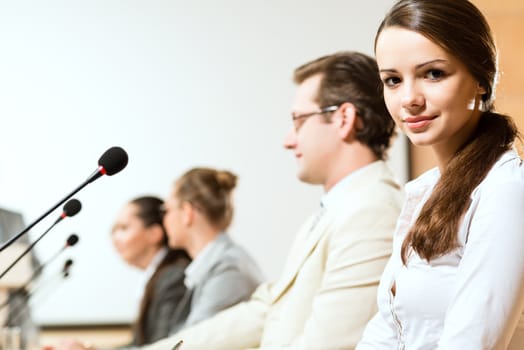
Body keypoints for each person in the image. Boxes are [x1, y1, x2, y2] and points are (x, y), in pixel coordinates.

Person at [142, 51, 403, 350]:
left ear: (344, 119)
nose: (288, 140)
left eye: (299, 121)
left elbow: (327, 344)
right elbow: (267, 310)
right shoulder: (335, 211)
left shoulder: (373, 212)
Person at [356, 1, 524, 349]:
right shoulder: (427, 191)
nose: (409, 99)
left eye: (433, 73)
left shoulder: (506, 192)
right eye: (392, 80)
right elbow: (386, 332)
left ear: (481, 77)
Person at [61, 196, 191, 348]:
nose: (115, 238)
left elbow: (162, 346)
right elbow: (138, 345)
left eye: (123, 228)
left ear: (154, 234)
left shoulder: (173, 277)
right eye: (113, 231)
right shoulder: (156, 276)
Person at [161, 167, 264, 333]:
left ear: (187, 213)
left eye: (167, 210)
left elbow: (193, 343)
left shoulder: (229, 270)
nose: (164, 220)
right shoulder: (218, 264)